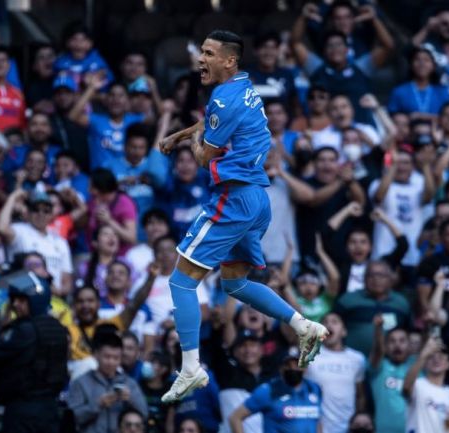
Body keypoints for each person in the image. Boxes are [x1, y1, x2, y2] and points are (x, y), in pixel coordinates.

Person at [157, 30, 328, 402]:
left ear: (228, 61)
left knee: (181, 282)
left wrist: (190, 140)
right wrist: (182, 133)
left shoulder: (222, 100)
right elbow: (216, 126)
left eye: (208, 53)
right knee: (234, 284)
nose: (200, 59)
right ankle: (303, 324)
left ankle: (190, 368)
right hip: (257, 200)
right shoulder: (245, 87)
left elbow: (205, 158)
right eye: (201, 51)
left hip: (232, 200)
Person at [0, 272, 69, 433]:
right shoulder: (58, 328)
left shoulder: (26, 329)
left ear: (36, 300)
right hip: (50, 409)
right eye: (14, 300)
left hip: (24, 410)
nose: (16, 305)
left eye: (22, 300)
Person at [67, 329, 149, 433]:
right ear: (96, 355)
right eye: (107, 357)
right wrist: (98, 404)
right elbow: (73, 418)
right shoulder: (80, 382)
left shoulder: (129, 383)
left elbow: (144, 415)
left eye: (116, 358)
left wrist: (130, 399)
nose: (111, 362)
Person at [304, 313, 366, 433]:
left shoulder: (357, 359)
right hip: (319, 428)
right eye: (325, 322)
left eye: (334, 322)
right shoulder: (309, 356)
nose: (328, 325)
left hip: (349, 428)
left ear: (344, 331)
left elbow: (360, 395)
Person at [229, 354, 322, 433]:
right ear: (281, 369)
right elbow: (235, 418)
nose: (293, 369)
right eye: (288, 365)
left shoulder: (314, 389)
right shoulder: (268, 390)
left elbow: (317, 421)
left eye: (297, 365)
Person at [333, 260, 411, 355]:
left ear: (390, 279)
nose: (376, 279)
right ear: (364, 278)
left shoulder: (401, 303)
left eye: (381, 275)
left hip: (388, 364)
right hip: (350, 361)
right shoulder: (347, 300)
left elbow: (408, 332)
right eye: (371, 275)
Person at [402, 336, 449, 433]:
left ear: (448, 364)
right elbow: (406, 388)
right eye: (431, 357)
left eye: (441, 357)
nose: (436, 360)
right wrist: (423, 355)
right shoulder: (418, 384)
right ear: (425, 363)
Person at [369, 324, 413, 433]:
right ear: (386, 347)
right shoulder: (379, 367)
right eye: (392, 341)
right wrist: (378, 331)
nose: (397, 345)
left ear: (410, 346)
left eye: (402, 341)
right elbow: (378, 351)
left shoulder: (416, 369)